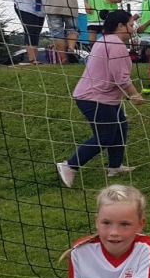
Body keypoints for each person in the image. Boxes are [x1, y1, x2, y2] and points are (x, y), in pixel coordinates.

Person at [56, 11, 144, 188]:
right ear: (120, 26)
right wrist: (135, 94)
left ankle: (115, 166)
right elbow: (120, 77)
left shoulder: (103, 40)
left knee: (120, 128)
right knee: (105, 136)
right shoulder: (115, 44)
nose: (133, 28)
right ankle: (69, 165)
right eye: (131, 25)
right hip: (94, 98)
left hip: (104, 98)